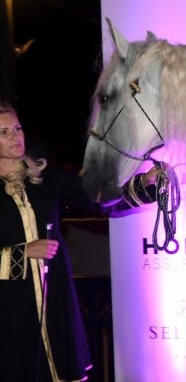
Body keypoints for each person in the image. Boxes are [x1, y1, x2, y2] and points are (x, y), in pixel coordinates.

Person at [0, 101, 163, 381]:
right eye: (3, 132)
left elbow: (96, 197)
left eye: (17, 128)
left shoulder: (43, 178)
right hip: (11, 316)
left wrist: (142, 183)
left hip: (55, 307)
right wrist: (22, 253)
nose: (15, 136)